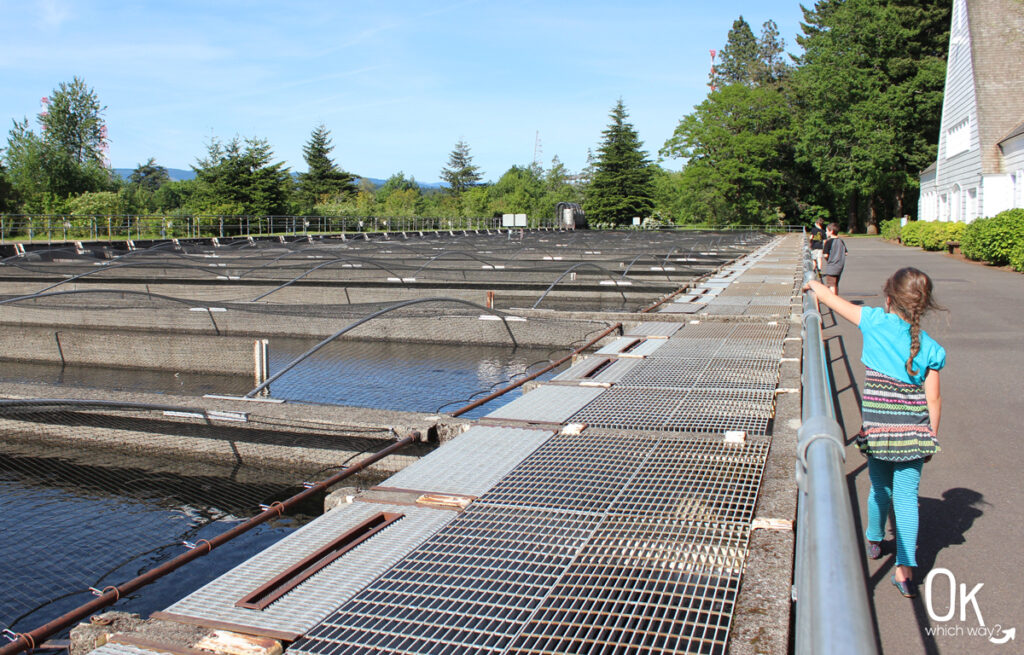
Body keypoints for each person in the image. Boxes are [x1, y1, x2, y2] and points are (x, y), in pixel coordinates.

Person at [803, 268, 945, 598]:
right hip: (914, 435)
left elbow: (829, 298)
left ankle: (874, 537)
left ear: (888, 298)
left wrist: (812, 284)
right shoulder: (930, 348)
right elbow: (933, 398)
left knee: (879, 487)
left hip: (879, 432)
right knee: (907, 500)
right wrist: (930, 437)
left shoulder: (874, 322)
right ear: (921, 306)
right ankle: (905, 570)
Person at [821, 222, 847, 295]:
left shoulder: (828, 242)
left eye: (827, 231)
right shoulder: (841, 241)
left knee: (831, 284)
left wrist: (829, 260)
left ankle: (833, 301)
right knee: (836, 284)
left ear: (831, 231)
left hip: (832, 266)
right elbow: (846, 252)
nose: (826, 232)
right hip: (840, 265)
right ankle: (836, 298)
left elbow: (825, 255)